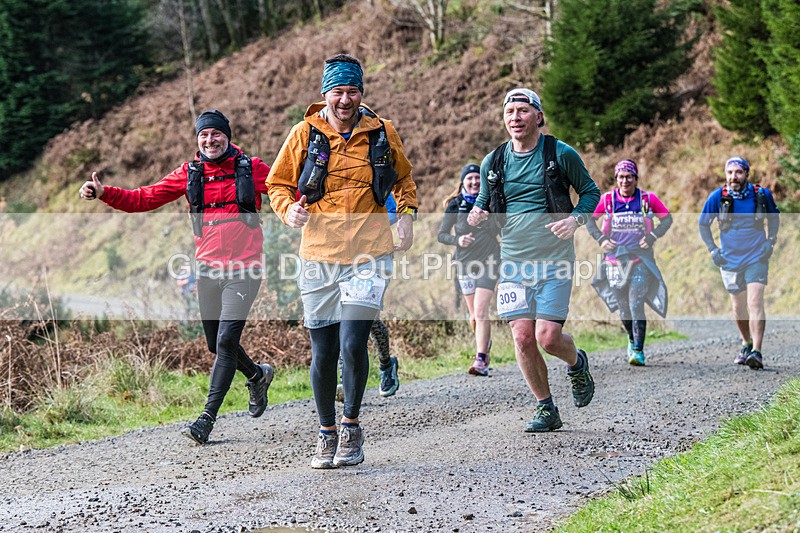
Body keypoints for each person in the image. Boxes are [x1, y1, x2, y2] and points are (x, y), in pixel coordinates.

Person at [78, 110, 275, 444]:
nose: (210, 141)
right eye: (204, 136)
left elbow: (286, 190)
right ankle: (257, 375)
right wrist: (104, 192)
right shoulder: (190, 174)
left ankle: (206, 418)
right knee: (216, 344)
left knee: (227, 341)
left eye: (216, 134)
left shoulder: (251, 169)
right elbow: (144, 198)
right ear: (197, 139)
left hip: (245, 269)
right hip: (208, 270)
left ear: (227, 136)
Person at [267, 53, 417, 469]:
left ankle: (351, 426)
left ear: (361, 93)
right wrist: (287, 210)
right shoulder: (304, 133)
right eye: (338, 91)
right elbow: (276, 183)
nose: (345, 99)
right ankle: (325, 431)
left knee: (353, 342)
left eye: (352, 91)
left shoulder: (382, 132)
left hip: (370, 252)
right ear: (325, 95)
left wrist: (405, 218)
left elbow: (404, 179)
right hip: (318, 253)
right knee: (323, 351)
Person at [467, 88, 600, 433]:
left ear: (538, 117)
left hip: (555, 260)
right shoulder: (493, 161)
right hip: (512, 260)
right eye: (510, 111)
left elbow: (591, 193)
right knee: (523, 336)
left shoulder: (560, 153)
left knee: (548, 337)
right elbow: (484, 198)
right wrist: (478, 212)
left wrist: (575, 220)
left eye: (523, 111)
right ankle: (546, 407)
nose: (516, 117)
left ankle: (577, 362)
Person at [586, 160, 673, 366]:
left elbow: (667, 219)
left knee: (636, 304)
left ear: (635, 178)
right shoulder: (607, 200)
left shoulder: (647, 199)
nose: (625, 181)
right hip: (614, 261)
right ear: (616, 179)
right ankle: (631, 338)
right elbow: (590, 220)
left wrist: (652, 237)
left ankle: (638, 350)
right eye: (621, 177)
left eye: (629, 176)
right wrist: (602, 240)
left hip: (640, 260)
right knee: (624, 308)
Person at [698, 156, 780, 369]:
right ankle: (746, 342)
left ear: (746, 174)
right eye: (730, 173)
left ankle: (757, 352)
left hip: (756, 257)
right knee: (738, 306)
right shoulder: (718, 197)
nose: (734, 177)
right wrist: (713, 250)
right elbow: (703, 224)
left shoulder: (761, 195)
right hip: (730, 260)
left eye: (738, 172)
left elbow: (774, 218)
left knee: (755, 302)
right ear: (725, 175)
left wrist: (770, 241)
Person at [438, 163, 500, 376]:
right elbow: (442, 234)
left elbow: (502, 227)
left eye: (477, 178)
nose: (474, 182)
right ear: (463, 182)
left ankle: (480, 359)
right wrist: (458, 239)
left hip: (490, 261)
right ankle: (485, 347)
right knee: (474, 316)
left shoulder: (491, 202)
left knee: (482, 311)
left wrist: (487, 218)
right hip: (465, 264)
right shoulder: (456, 204)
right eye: (469, 178)